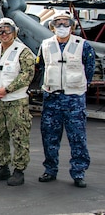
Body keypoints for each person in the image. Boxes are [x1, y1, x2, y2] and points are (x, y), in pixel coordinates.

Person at [36, 10, 95, 188]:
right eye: (58, 23)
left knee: (77, 137)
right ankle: (50, 169)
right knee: (49, 137)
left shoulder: (82, 45)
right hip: (52, 98)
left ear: (72, 26)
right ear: (52, 26)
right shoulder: (45, 44)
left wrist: (79, 86)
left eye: (65, 23)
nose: (62, 26)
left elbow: (89, 69)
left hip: (74, 99)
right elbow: (41, 66)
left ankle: (78, 172)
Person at [0, 17, 35, 186]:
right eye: (0, 31)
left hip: (16, 101)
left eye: (8, 30)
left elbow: (27, 74)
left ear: (15, 32)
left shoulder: (23, 51)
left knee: (19, 136)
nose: (4, 34)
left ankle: (19, 170)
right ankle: (3, 166)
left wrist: (7, 89)